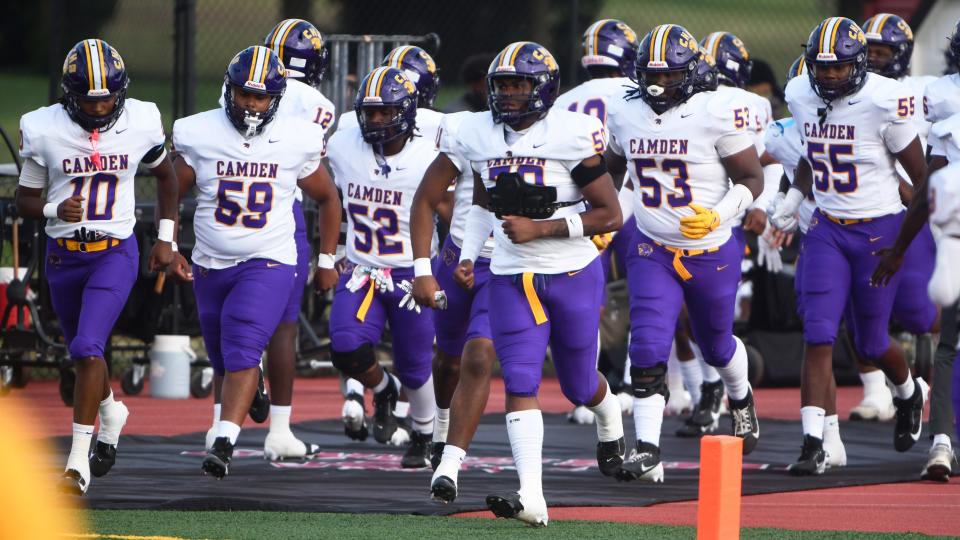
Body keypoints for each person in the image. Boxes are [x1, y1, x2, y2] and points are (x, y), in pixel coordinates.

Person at [419, 41, 624, 526]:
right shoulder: (480, 134)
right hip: (511, 274)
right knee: (520, 379)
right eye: (503, 85)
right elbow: (484, 205)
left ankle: (610, 415)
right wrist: (467, 257)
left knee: (578, 385)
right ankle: (532, 495)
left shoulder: (572, 133)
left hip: (571, 271)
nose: (509, 95)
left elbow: (610, 213)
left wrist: (545, 228)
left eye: (519, 85)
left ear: (544, 88)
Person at [16, 39, 179, 494]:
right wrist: (54, 209)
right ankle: (112, 411)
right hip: (62, 257)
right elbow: (24, 200)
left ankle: (76, 463)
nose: (101, 104)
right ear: (70, 95)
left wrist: (166, 238)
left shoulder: (141, 121)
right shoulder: (44, 128)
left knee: (89, 346)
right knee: (80, 352)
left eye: (108, 95)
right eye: (90, 98)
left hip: (114, 251)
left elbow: (166, 178)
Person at [172, 45, 341, 478]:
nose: (251, 103)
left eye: (261, 96)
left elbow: (326, 197)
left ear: (276, 99)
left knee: (244, 344)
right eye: (245, 94)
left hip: (269, 258)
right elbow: (171, 187)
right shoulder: (199, 132)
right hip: (210, 261)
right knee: (223, 356)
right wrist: (166, 240)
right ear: (229, 90)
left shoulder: (297, 136)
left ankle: (224, 440)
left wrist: (326, 258)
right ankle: (248, 391)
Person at [605, 24, 764, 483]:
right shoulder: (625, 110)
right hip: (651, 244)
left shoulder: (716, 110)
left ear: (691, 73)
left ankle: (740, 396)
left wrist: (719, 215)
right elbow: (613, 174)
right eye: (650, 75)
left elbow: (752, 179)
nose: (657, 86)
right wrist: (599, 218)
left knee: (714, 343)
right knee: (649, 341)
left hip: (710, 248)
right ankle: (648, 448)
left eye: (669, 76)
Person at [770, 17, 928, 476]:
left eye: (839, 68)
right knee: (817, 332)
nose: (830, 76)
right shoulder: (801, 92)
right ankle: (813, 442)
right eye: (823, 68)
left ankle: (908, 393)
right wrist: (795, 197)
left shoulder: (883, 100)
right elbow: (810, 153)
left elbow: (920, 181)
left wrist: (900, 248)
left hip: (879, 231)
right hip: (827, 229)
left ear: (858, 64)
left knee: (872, 341)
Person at [326, 66, 440, 468]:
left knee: (415, 364)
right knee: (344, 344)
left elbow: (451, 208)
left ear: (408, 112)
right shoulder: (343, 146)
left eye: (385, 113)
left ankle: (424, 433)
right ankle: (383, 388)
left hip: (413, 273)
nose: (376, 121)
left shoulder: (431, 153)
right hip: (362, 269)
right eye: (370, 112)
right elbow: (331, 198)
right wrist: (335, 248)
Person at [553, 19, 644, 424]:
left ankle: (589, 390)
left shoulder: (564, 99)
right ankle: (632, 386)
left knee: (586, 299)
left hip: (581, 211)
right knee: (645, 295)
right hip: (634, 203)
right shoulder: (635, 94)